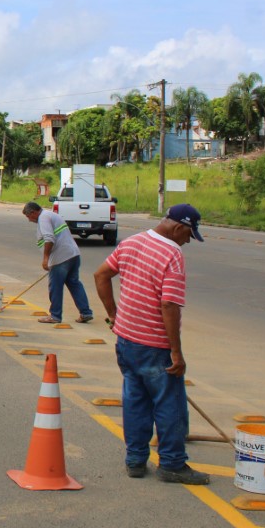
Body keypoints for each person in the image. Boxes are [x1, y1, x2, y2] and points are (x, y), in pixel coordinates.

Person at [93, 203, 208, 485]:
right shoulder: (172, 254)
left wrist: (113, 314)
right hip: (155, 345)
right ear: (179, 227)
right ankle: (171, 464)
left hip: (127, 340)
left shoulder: (132, 242)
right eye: (189, 235)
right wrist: (176, 352)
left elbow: (101, 275)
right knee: (168, 404)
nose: (187, 241)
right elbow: (169, 304)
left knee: (135, 401)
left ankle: (135, 461)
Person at [22, 201, 93, 324]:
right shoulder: (51, 215)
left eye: (28, 216)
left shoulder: (43, 218)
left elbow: (49, 239)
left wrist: (46, 259)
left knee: (55, 287)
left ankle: (55, 315)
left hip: (61, 258)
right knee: (74, 284)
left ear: (33, 212)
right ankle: (86, 312)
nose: (29, 220)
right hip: (73, 254)